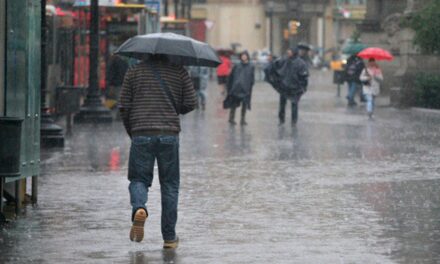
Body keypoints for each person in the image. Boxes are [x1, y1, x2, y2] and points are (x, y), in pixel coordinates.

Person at [119, 54, 197, 249]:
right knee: (170, 185)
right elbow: (191, 103)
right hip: (169, 134)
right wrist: (172, 107)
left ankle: (139, 207)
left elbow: (123, 106)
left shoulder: (134, 71)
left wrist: (133, 130)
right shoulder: (179, 71)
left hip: (141, 132)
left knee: (138, 179)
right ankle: (169, 238)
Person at [277, 48, 309, 126]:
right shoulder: (285, 60)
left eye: (290, 52)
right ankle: (281, 120)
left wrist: (302, 86)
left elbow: (304, 76)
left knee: (294, 105)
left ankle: (293, 121)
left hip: (294, 87)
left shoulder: (300, 63)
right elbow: (279, 69)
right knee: (282, 104)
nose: (288, 53)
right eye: (288, 52)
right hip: (284, 86)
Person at [223, 51, 255, 126]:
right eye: (242, 56)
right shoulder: (237, 66)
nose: (243, 57)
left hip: (245, 88)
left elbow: (252, 78)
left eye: (245, 55)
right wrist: (231, 85)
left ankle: (242, 120)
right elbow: (231, 76)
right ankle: (231, 119)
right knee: (233, 104)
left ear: (247, 56)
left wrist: (250, 85)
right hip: (236, 88)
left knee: (244, 105)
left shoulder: (251, 66)